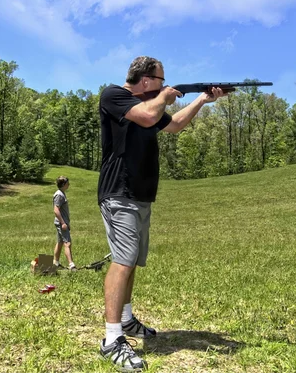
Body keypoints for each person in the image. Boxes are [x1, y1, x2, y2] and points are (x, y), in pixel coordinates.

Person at [97, 56, 229, 371]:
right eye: (160, 79)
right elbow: (144, 116)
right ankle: (112, 338)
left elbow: (176, 126)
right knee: (122, 261)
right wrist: (164, 97)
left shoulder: (152, 104)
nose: (164, 83)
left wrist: (202, 99)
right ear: (146, 79)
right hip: (120, 192)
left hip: (141, 195)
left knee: (131, 263)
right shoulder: (114, 95)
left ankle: (126, 321)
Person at [53, 176, 76, 271]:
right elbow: (56, 210)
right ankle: (71, 265)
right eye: (67, 183)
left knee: (60, 242)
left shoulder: (61, 193)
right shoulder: (59, 195)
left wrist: (66, 222)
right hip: (61, 223)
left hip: (63, 223)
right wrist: (63, 223)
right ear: (63, 184)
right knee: (67, 243)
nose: (69, 185)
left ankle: (55, 263)